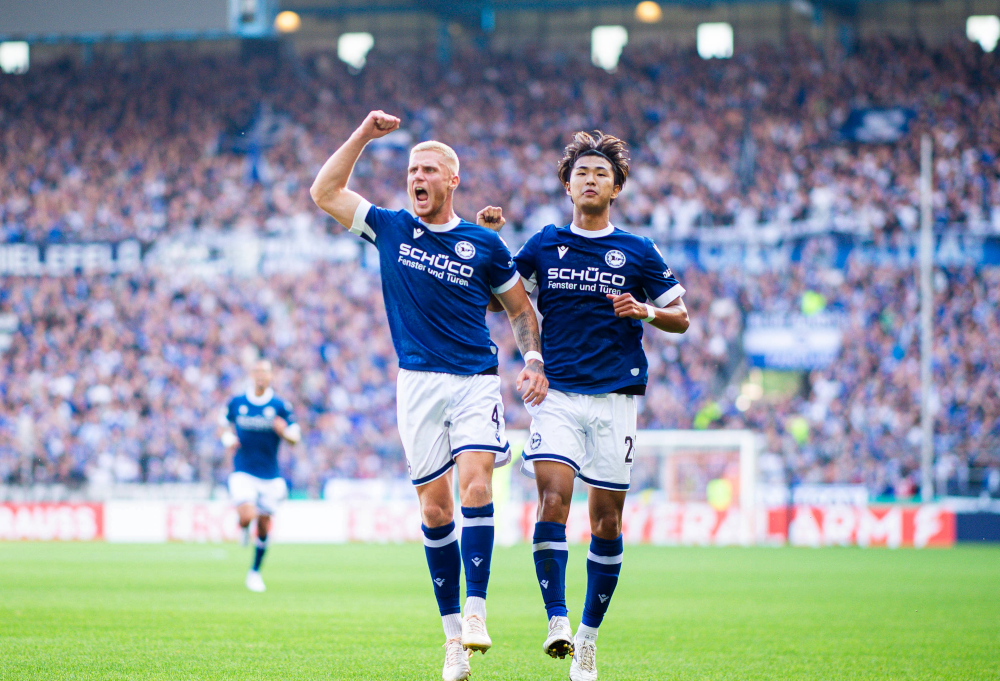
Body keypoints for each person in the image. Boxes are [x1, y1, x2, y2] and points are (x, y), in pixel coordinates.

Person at [310, 111, 548, 681]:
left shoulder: (482, 244)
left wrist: (533, 360)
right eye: (412, 168)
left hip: (473, 381)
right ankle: (452, 643)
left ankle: (476, 609)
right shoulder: (389, 227)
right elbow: (324, 192)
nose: (416, 176)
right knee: (435, 509)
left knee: (475, 485)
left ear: (451, 181)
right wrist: (364, 135)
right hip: (414, 383)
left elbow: (519, 309)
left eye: (428, 169)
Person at [489, 131, 689, 680]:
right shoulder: (544, 244)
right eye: (581, 173)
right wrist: (487, 244)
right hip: (557, 396)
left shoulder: (639, 251)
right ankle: (556, 620)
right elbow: (498, 299)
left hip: (616, 401)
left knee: (606, 522)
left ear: (617, 187)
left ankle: (588, 636)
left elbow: (682, 317)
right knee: (553, 497)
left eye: (601, 173)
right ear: (568, 184)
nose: (591, 179)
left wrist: (644, 312)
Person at [219, 359, 301, 592]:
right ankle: (244, 526)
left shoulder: (280, 405)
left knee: (264, 527)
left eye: (265, 371)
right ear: (251, 375)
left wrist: (283, 432)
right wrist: (227, 438)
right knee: (248, 514)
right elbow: (222, 424)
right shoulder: (237, 402)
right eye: (257, 371)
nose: (261, 375)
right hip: (243, 471)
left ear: (271, 376)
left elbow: (295, 437)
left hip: (270, 475)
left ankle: (254, 572)